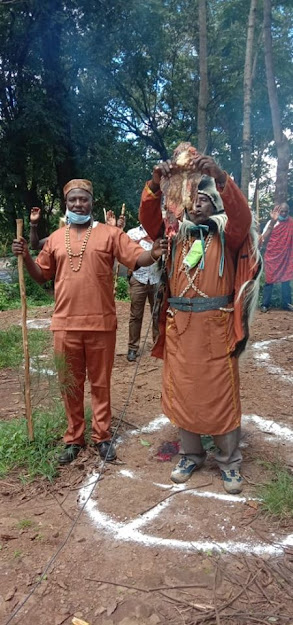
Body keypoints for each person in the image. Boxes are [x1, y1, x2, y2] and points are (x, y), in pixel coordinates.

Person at [12, 179, 165, 465]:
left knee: (100, 383)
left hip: (101, 325)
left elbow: (137, 257)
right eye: (73, 200)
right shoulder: (57, 238)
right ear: (67, 204)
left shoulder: (110, 234)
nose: (78, 204)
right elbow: (41, 275)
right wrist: (26, 258)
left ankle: (102, 436)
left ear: (91, 202)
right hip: (65, 325)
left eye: (83, 199)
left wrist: (153, 253)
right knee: (69, 383)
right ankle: (73, 438)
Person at [139, 148, 261, 494]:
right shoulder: (175, 234)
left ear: (216, 204)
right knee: (185, 393)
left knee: (220, 395)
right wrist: (155, 184)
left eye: (206, 198)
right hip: (180, 329)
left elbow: (242, 217)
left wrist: (221, 177)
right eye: (193, 198)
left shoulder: (229, 234)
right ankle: (191, 455)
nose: (198, 203)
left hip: (217, 329)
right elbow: (149, 221)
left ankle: (229, 462)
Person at [126, 224, 160, 362]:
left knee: (157, 313)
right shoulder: (132, 233)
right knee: (135, 315)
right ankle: (132, 348)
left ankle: (158, 346)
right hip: (138, 278)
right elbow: (127, 254)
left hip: (157, 278)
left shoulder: (162, 232)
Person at [29, 207, 125, 250]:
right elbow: (35, 245)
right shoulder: (59, 236)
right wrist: (33, 224)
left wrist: (113, 228)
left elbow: (114, 246)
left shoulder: (96, 233)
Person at [260, 203, 293, 312]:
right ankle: (265, 304)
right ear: (277, 211)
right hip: (272, 255)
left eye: (285, 211)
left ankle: (286, 304)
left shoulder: (291, 223)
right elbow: (263, 238)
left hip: (286, 256)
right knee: (269, 280)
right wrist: (273, 222)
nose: (283, 213)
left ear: (288, 211)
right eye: (281, 211)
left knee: (286, 280)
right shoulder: (271, 222)